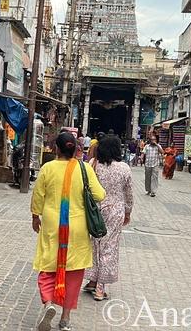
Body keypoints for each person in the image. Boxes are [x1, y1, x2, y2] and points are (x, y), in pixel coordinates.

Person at [31, 132, 106, 331]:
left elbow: (38, 196)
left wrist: (35, 216)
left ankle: (48, 302)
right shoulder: (84, 168)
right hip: (78, 227)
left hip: (52, 223)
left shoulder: (47, 168)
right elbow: (99, 194)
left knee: (48, 265)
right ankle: (65, 319)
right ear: (75, 149)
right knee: (73, 272)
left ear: (57, 148)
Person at [84, 135, 133, 302]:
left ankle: (92, 280)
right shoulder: (124, 168)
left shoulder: (93, 164)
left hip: (96, 211)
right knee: (109, 247)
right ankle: (100, 288)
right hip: (115, 212)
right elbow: (129, 193)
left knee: (94, 244)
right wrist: (128, 212)